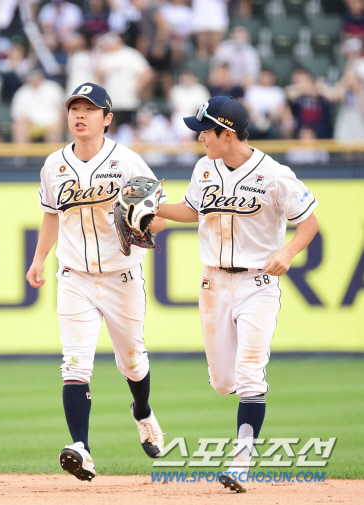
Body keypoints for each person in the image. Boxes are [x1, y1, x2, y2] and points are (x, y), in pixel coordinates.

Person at [156, 96, 319, 493]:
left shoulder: (275, 175)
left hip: (257, 284)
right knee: (222, 381)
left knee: (249, 372)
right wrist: (153, 214)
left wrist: (287, 252)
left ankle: (241, 461)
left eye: (205, 132)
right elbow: (193, 210)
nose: (200, 140)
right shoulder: (205, 168)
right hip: (213, 283)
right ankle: (240, 437)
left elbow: (309, 223)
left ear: (227, 133)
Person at [26, 82, 167, 482]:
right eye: (74, 108)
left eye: (90, 109)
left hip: (121, 276)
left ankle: (142, 412)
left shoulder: (128, 161)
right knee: (74, 362)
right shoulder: (54, 164)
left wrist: (144, 222)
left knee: (132, 360)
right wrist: (39, 259)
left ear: (107, 118)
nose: (80, 115)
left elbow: (158, 209)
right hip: (74, 276)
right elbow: (52, 214)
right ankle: (81, 448)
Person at [10, 69, 65, 143]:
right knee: (19, 127)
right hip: (30, 123)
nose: (35, 80)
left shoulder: (53, 88)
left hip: (52, 122)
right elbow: (17, 115)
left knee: (56, 127)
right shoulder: (22, 92)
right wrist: (26, 121)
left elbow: (62, 108)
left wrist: (61, 120)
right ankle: (22, 154)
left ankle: (54, 154)